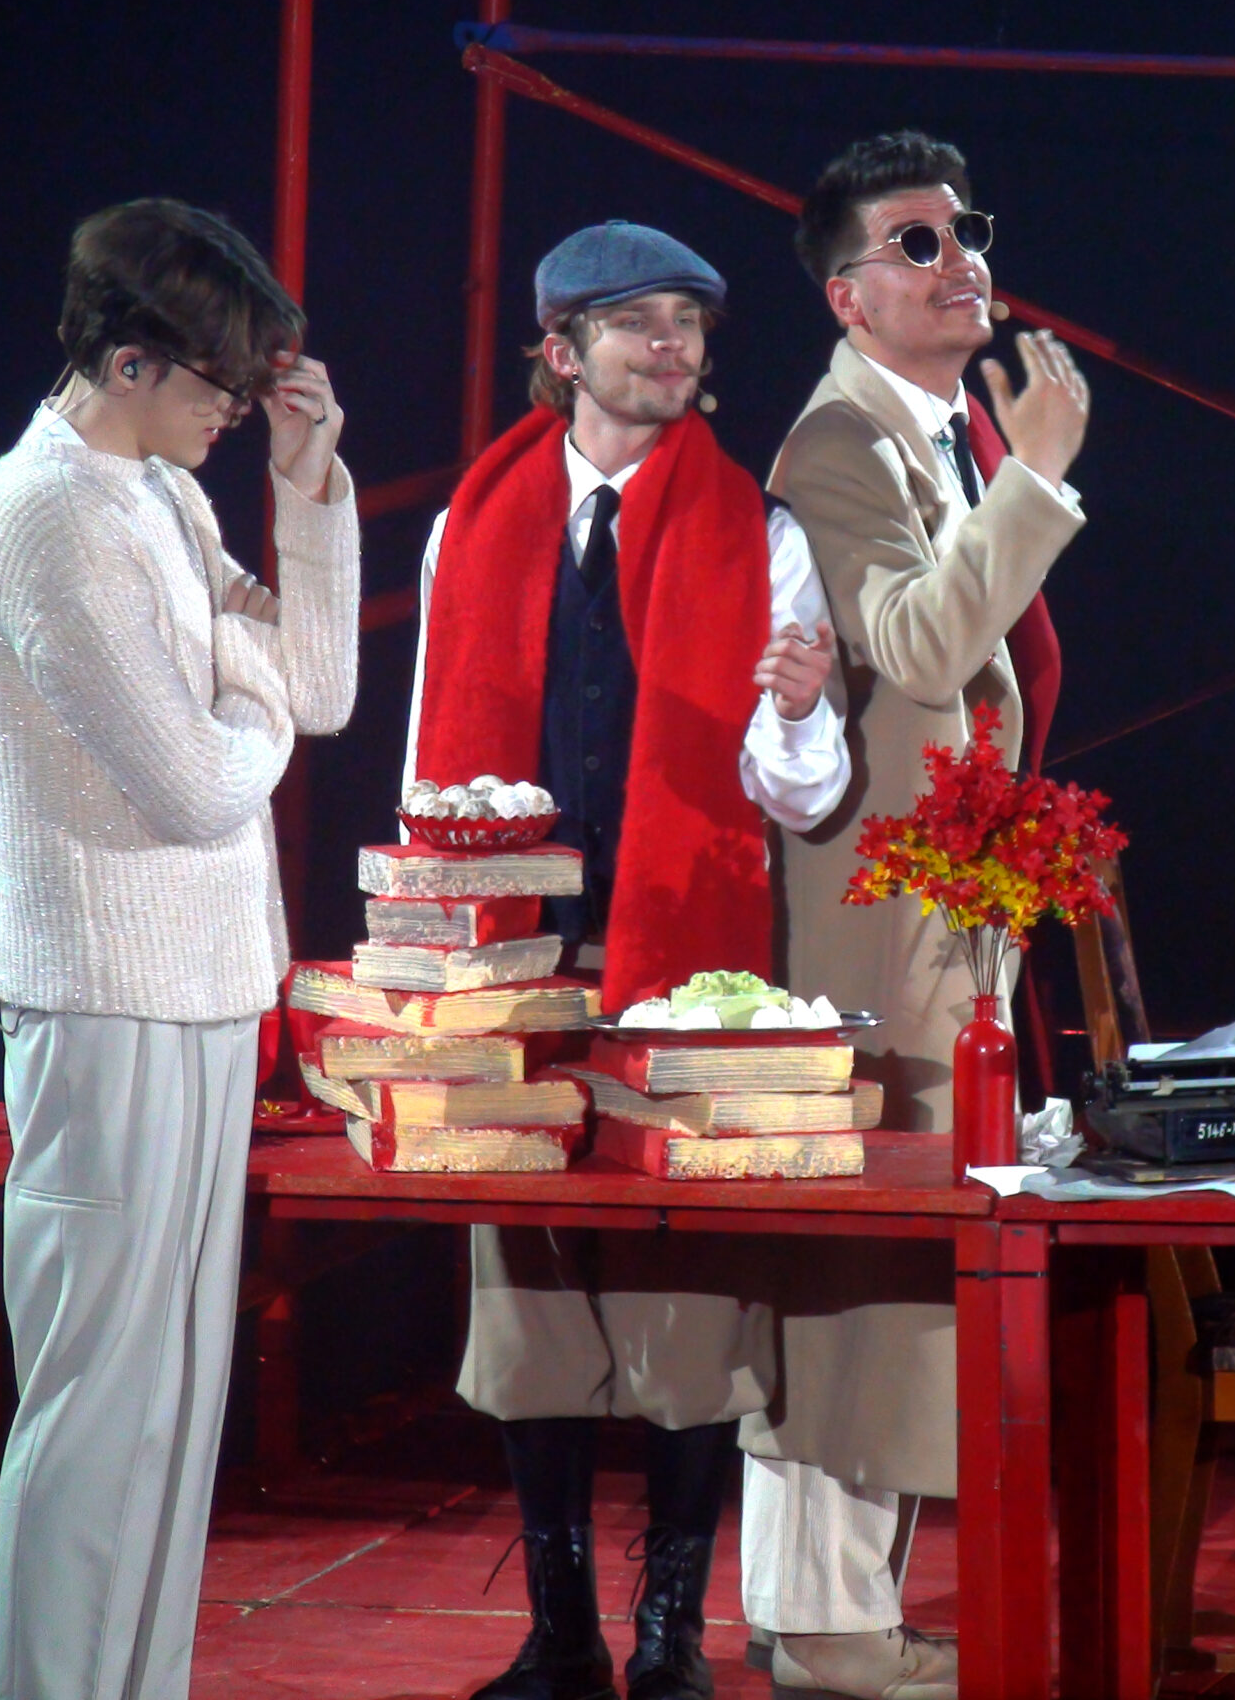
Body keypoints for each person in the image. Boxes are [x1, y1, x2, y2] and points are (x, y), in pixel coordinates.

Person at [403, 222, 848, 1700]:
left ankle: (670, 1637)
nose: (672, 347)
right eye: (638, 322)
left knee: (689, 1295)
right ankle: (561, 1633)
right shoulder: (474, 522)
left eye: (689, 325)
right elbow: (427, 761)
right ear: (560, 349)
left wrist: (801, 708)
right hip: (517, 950)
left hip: (686, 953)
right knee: (528, 1293)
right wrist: (429, 940)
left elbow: (801, 795)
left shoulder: (757, 531)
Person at [0, 197, 360, 1697]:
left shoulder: (166, 499)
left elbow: (319, 688)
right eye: (223, 388)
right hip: (96, 984)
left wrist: (308, 490)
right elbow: (195, 779)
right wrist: (247, 705)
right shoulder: (43, 514)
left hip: (200, 981)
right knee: (98, 1391)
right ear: (130, 363)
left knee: (178, 1393)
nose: (237, 415)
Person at [751, 131, 1087, 1699]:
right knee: (857, 1269)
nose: (961, 263)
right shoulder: (837, 446)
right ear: (848, 294)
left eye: (966, 232)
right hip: (872, 923)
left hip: (941, 911)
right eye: (918, 243)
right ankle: (823, 1626)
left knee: (902, 1262)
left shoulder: (927, 433)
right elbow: (922, 646)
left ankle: (845, 1615)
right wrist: (1038, 481)